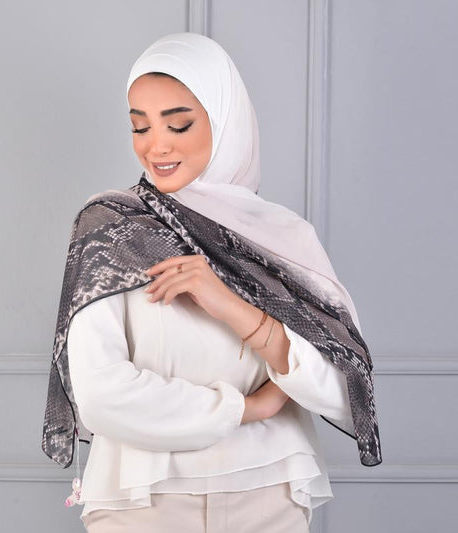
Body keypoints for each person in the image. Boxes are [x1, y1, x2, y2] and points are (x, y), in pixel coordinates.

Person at [41, 32, 381, 533]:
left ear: (225, 121)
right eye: (140, 127)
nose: (156, 146)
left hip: (269, 495)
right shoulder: (113, 228)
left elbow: (343, 390)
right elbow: (101, 396)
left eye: (178, 124)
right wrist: (247, 408)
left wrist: (231, 306)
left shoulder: (284, 239)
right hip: (140, 501)